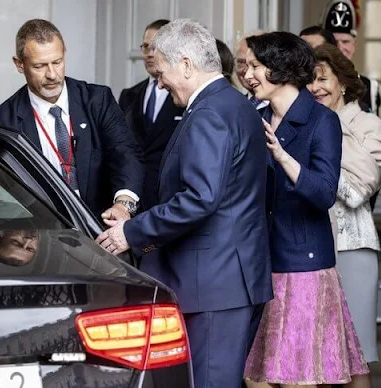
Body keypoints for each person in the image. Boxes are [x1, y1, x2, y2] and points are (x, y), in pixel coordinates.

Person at [96, 19, 273, 388]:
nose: (159, 81)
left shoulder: (208, 114)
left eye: (162, 72)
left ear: (187, 65)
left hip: (214, 283)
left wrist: (131, 230)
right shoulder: (234, 104)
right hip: (229, 277)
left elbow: (198, 199)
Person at [241, 31, 369, 388]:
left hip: (302, 263)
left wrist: (283, 158)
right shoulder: (255, 115)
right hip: (259, 258)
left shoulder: (321, 121)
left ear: (280, 69)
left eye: (256, 66)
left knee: (300, 377)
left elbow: (325, 192)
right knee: (255, 376)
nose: (248, 75)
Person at [0, 19, 144, 221]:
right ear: (19, 64)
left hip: (102, 226)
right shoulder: (2, 120)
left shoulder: (97, 100)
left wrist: (123, 205)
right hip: (44, 230)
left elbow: (126, 154)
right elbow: (6, 188)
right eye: (39, 66)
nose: (52, 75)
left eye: (57, 62)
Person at [308, 43, 381, 372]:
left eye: (323, 79)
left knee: (355, 354)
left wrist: (325, 134)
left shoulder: (371, 128)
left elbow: (357, 191)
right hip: (311, 248)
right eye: (309, 82)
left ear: (342, 82)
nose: (315, 88)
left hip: (352, 248)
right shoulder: (308, 125)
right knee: (318, 355)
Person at [118, 19, 185, 212]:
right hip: (134, 199)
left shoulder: (185, 98)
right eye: (145, 47)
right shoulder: (128, 95)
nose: (149, 54)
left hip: (171, 200)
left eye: (155, 47)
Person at [320, 0, 381, 115]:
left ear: (354, 45)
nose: (340, 47)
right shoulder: (311, 84)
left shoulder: (370, 87)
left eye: (346, 41)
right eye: (334, 41)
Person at [234, 31, 269, 113]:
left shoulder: (282, 109)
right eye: (241, 62)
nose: (247, 72)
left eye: (255, 65)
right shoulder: (234, 105)